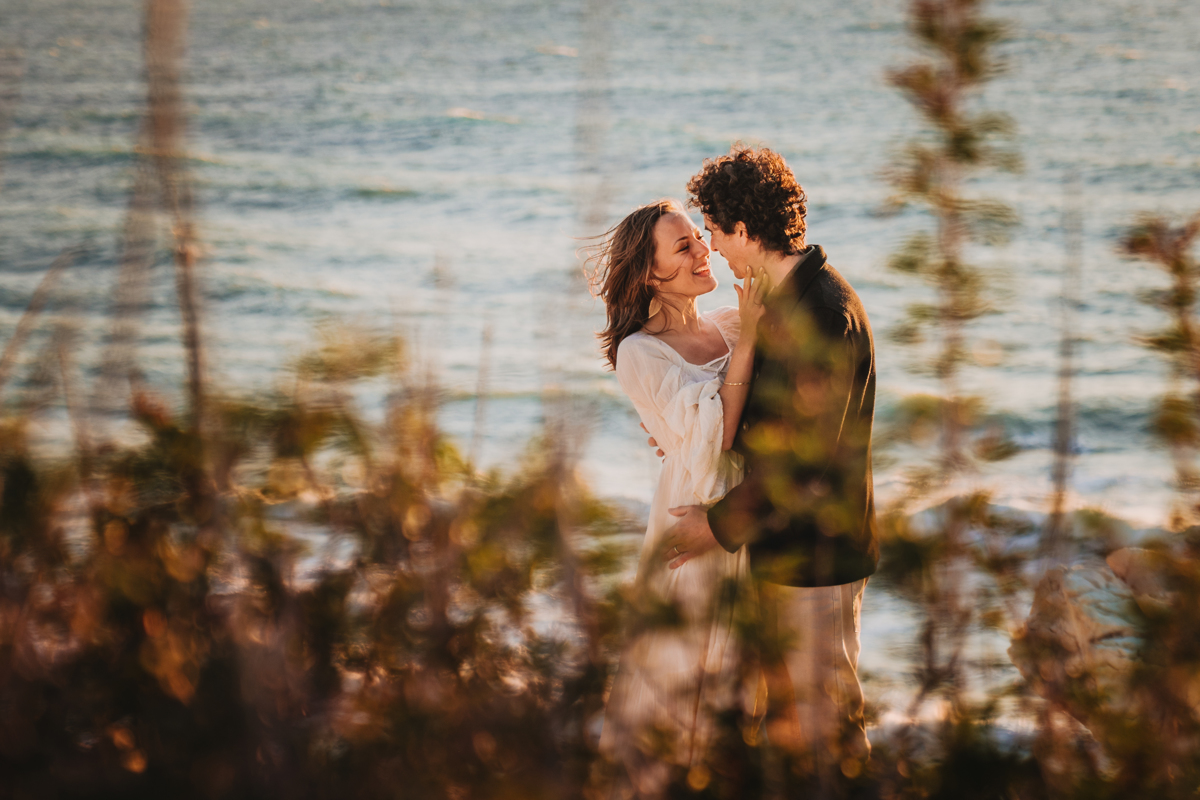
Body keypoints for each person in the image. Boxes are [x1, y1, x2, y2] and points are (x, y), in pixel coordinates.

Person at [662, 145, 880, 789]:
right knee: (788, 727)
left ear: (746, 231)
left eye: (716, 229)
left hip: (815, 553)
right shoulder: (790, 298)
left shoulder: (820, 314)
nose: (711, 244)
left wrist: (716, 527)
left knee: (824, 729)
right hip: (787, 547)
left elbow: (808, 462)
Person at [587, 198, 767, 796]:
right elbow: (714, 436)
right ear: (648, 273)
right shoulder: (639, 352)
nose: (703, 250)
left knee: (757, 675)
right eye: (683, 245)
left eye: (699, 237)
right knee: (691, 671)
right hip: (698, 510)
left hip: (752, 509)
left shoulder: (732, 322)